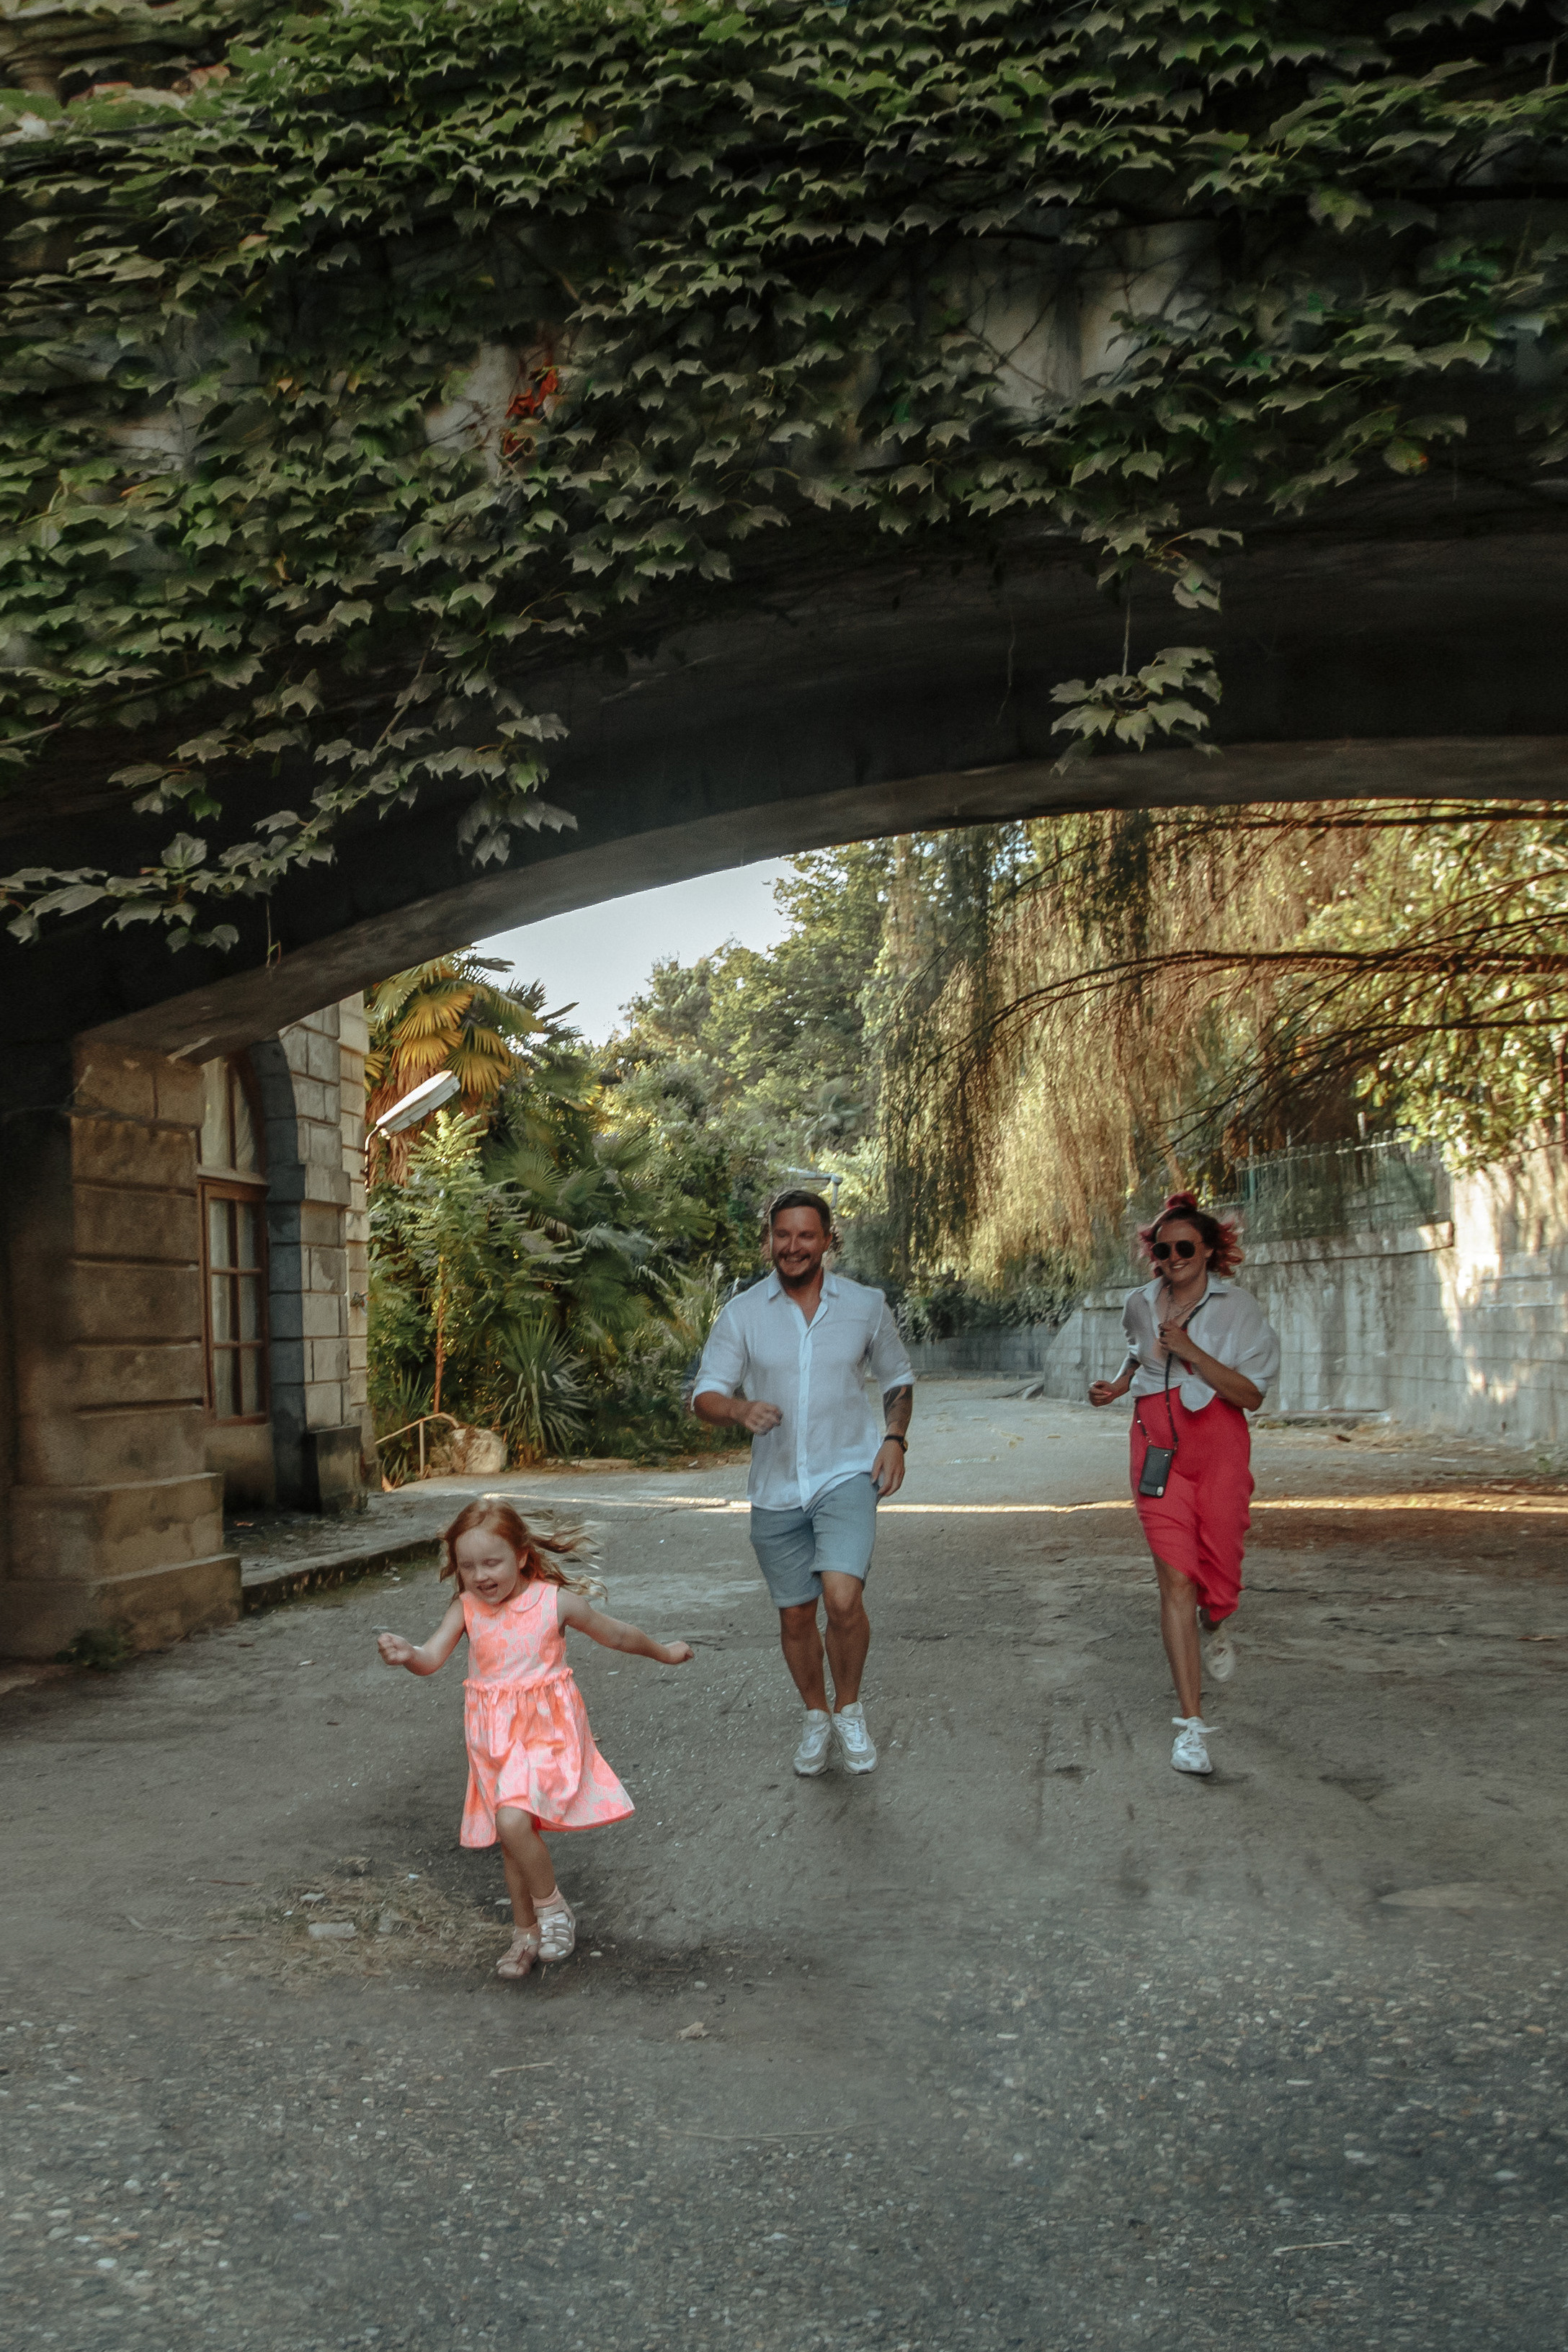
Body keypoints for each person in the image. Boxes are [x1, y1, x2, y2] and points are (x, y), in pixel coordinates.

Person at [375, 1499, 692, 1979]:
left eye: (492, 1562)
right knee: (513, 1836)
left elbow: (618, 1636)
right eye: (467, 1566)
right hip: (494, 1742)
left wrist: (665, 1653)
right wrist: (409, 1655)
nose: (480, 1576)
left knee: (511, 1820)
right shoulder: (466, 1608)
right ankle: (525, 1935)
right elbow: (431, 1658)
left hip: (549, 1736)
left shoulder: (554, 1602)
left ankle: (551, 1908)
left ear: (522, 1555)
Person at [690, 1188, 914, 1778]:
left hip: (848, 1473)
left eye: (806, 1235)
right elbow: (705, 1395)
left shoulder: (866, 1305)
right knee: (795, 1616)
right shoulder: (743, 1313)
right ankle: (816, 1715)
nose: (793, 1246)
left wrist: (895, 1438)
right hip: (776, 1486)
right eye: (782, 1235)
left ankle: (849, 1709)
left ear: (828, 1241)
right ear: (769, 1241)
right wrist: (738, 1410)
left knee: (842, 1598)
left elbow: (897, 1378)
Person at [1089, 1190, 1280, 1778]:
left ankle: (1215, 1621)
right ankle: (1192, 1727)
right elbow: (1136, 1351)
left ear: (1210, 1251)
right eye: (1163, 1249)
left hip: (1218, 1447)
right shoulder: (1140, 1304)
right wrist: (1120, 1385)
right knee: (1175, 1580)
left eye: (1185, 1249)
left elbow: (1252, 1395)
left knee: (1218, 1577)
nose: (1173, 1259)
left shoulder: (1239, 1310)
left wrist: (1193, 1352)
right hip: (1156, 1448)